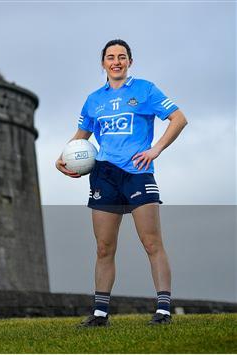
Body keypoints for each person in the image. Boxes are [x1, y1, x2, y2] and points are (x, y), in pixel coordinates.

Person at [56, 39, 188, 326]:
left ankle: (163, 310)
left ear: (130, 61)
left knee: (151, 242)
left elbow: (178, 119)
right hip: (104, 174)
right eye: (110, 57)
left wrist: (156, 149)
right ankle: (100, 314)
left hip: (138, 172)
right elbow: (82, 136)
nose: (116, 61)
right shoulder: (94, 100)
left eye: (122, 57)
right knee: (104, 247)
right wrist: (61, 157)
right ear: (103, 63)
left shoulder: (145, 90)